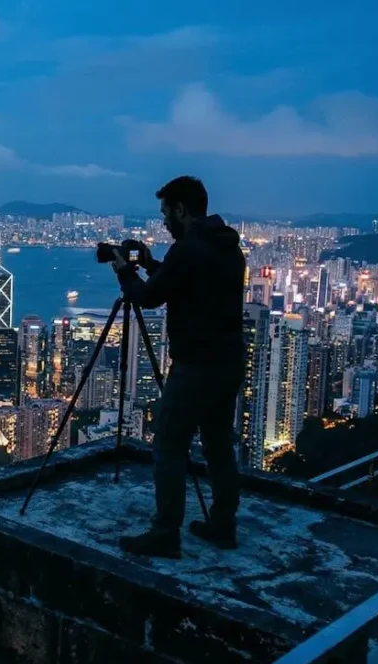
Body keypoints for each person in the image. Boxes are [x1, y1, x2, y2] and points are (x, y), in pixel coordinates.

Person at [109, 175, 246, 559]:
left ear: (181, 209)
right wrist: (154, 264)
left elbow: (148, 298)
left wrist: (125, 270)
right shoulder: (228, 248)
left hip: (197, 365)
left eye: (166, 212)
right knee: (219, 444)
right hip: (229, 362)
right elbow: (185, 286)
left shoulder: (188, 250)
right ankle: (223, 525)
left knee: (169, 445)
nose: (164, 222)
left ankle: (165, 533)